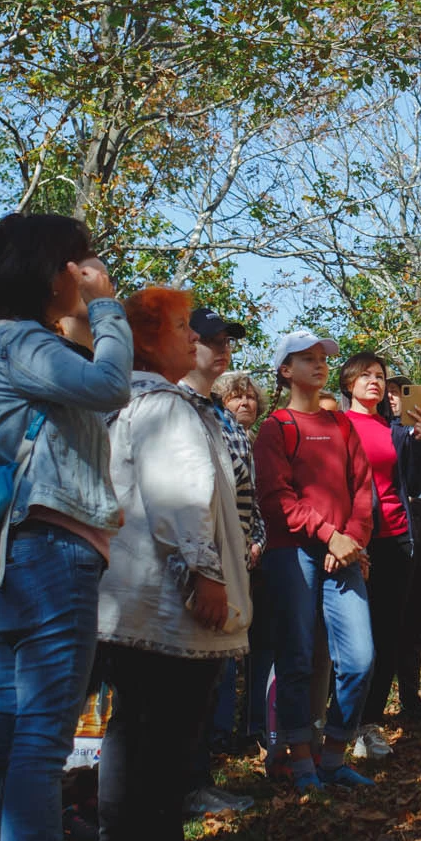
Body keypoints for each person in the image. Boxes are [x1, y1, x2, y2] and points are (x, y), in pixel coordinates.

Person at [0, 212, 137, 841]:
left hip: (7, 560)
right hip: (48, 555)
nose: (88, 270)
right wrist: (110, 306)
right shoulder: (19, 341)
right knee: (38, 743)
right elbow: (111, 386)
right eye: (80, 259)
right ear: (55, 268)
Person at [99, 288, 252, 841]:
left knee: (133, 724)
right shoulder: (165, 407)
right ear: (147, 339)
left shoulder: (122, 405)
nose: (194, 338)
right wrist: (206, 574)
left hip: (130, 599)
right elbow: (183, 501)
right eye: (183, 327)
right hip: (169, 602)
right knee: (167, 731)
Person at [252, 329, 377, 792]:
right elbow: (275, 498)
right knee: (297, 658)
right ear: (286, 371)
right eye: (307, 358)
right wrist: (329, 536)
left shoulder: (343, 425)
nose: (320, 364)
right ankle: (301, 763)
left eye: (323, 357)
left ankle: (334, 755)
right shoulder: (276, 427)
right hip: (293, 554)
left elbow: (363, 488)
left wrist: (352, 540)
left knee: (360, 659)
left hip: (344, 553)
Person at [182, 308, 261, 813]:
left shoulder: (219, 415)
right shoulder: (171, 405)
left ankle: (196, 781)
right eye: (212, 340)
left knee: (208, 682)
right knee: (182, 687)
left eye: (227, 341)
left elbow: (246, 493)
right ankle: (173, 792)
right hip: (189, 573)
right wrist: (204, 569)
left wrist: (251, 544)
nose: (223, 349)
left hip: (231, 565)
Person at [338, 351, 421, 756]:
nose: (374, 381)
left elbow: (412, 485)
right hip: (353, 541)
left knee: (387, 635)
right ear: (349, 384)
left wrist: (419, 441)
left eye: (379, 375)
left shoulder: (394, 429)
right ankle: (338, 722)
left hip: (396, 538)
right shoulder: (337, 425)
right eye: (365, 376)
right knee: (350, 640)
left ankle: (368, 724)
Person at [214, 370, 274, 749]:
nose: (245, 402)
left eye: (250, 396)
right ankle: (221, 732)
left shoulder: (253, 441)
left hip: (254, 554)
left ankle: (251, 725)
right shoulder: (223, 435)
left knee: (254, 642)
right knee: (224, 645)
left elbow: (259, 503)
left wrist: (259, 540)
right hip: (227, 554)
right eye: (236, 396)